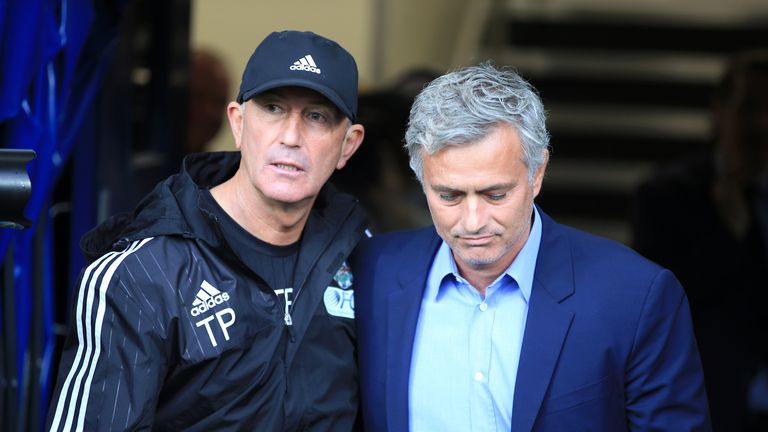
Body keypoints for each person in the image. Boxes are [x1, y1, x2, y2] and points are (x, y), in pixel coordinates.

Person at [353, 63, 711, 431]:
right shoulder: (370, 272)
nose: (473, 220)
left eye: (495, 194)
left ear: (537, 173)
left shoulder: (636, 297)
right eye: (449, 196)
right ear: (420, 178)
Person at [46, 30, 366, 431]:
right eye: (272, 108)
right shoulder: (141, 275)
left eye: (316, 117)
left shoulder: (359, 256)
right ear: (237, 122)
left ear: (348, 146)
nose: (290, 137)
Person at [632, 50, 768, 431]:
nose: (761, 123)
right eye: (749, 107)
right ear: (719, 111)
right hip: (711, 399)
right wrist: (730, 235)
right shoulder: (665, 196)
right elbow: (661, 309)